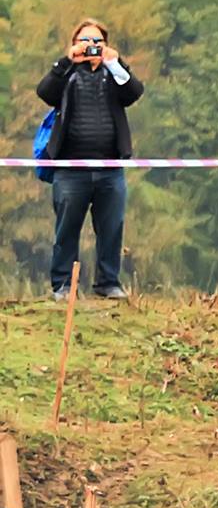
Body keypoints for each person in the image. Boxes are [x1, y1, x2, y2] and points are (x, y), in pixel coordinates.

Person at [36, 19, 144, 301]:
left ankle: (108, 283)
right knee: (67, 230)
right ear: (74, 44)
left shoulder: (113, 74)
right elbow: (45, 92)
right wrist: (66, 62)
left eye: (97, 41)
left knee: (111, 229)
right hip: (70, 169)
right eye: (85, 40)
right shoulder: (67, 73)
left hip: (110, 169)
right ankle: (62, 286)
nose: (91, 46)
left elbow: (134, 92)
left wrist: (115, 63)